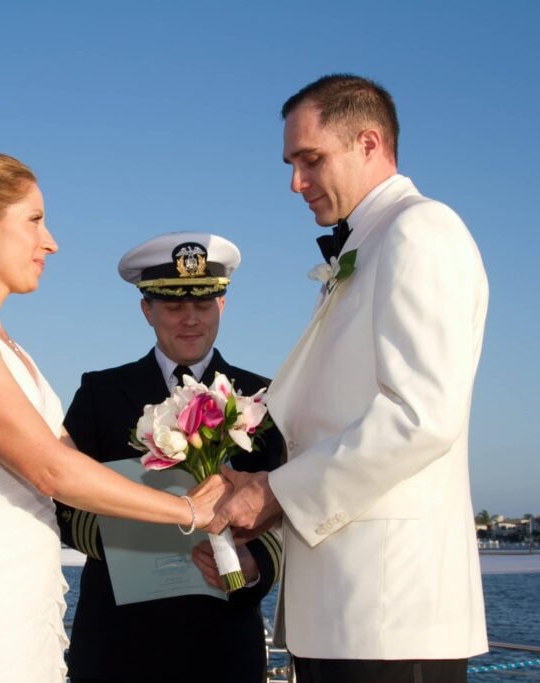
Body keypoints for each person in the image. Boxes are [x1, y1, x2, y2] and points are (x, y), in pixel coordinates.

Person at [0, 149, 227, 683]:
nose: (51, 241)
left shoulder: (5, 344)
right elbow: (52, 472)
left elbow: (70, 459)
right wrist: (189, 512)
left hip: (23, 593)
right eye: (35, 220)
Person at [210, 74, 490, 682]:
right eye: (291, 164)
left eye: (310, 160)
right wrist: (258, 480)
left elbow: (421, 416)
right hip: (345, 609)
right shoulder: (371, 243)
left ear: (368, 142)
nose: (295, 182)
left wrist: (274, 493)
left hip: (390, 612)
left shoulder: (420, 230)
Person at [55, 232, 285, 683]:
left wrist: (256, 564)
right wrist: (143, 544)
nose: (190, 320)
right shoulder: (101, 393)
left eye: (203, 305)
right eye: (174, 307)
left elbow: (281, 500)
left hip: (224, 643)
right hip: (119, 640)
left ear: (223, 306)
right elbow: (65, 504)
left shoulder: (262, 397)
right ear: (147, 309)